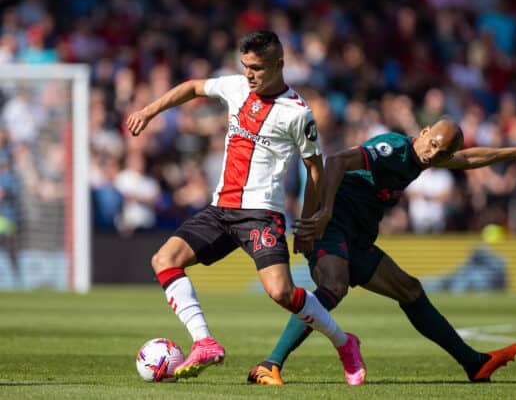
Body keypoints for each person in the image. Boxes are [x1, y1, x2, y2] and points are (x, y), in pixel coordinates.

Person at [126, 31, 365, 385]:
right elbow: (193, 87)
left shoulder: (298, 114)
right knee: (164, 260)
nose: (249, 74)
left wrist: (310, 221)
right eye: (245, 67)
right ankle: (204, 342)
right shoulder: (236, 88)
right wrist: (149, 110)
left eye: (256, 68)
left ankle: (345, 344)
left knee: (281, 292)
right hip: (220, 208)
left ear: (279, 65)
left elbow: (315, 170)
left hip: (260, 213)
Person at [248, 119, 516, 385]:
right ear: (423, 132)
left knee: (410, 290)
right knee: (334, 286)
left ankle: (473, 363)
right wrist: (323, 212)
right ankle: (270, 364)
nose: (434, 154)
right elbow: (336, 161)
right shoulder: (393, 148)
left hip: (358, 235)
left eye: (442, 153)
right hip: (333, 225)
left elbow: (468, 158)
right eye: (432, 144)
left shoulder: (426, 159)